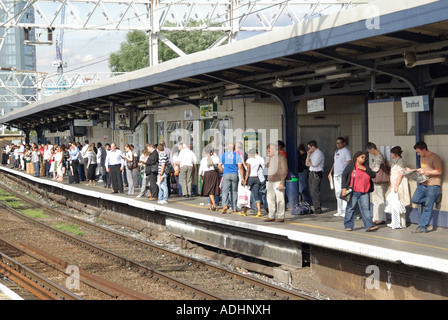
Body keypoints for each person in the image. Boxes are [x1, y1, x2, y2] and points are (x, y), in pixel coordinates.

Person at [405, 141, 443, 233]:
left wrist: (426, 172)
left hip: (433, 185)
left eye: (418, 152)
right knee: (415, 199)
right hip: (423, 184)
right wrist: (411, 170)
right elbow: (422, 170)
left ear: (424, 149)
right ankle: (436, 198)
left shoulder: (435, 157)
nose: (418, 154)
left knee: (428, 206)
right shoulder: (422, 157)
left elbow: (439, 172)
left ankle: (422, 227)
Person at [341, 151, 378, 232]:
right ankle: (348, 225)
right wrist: (343, 188)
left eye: (365, 158)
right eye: (362, 157)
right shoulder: (351, 165)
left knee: (365, 209)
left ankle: (369, 226)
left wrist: (364, 169)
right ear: (357, 157)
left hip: (365, 191)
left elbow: (373, 175)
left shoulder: (365, 166)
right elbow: (344, 175)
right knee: (351, 208)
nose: (363, 159)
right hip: (354, 191)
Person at [385, 146, 410, 229]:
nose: (391, 155)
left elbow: (400, 175)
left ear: (395, 154)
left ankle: (399, 222)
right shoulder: (395, 162)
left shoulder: (400, 162)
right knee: (396, 204)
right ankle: (398, 222)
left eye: (392, 153)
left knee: (398, 204)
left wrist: (396, 186)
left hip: (398, 186)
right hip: (394, 185)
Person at [264, 142, 288, 222]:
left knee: (280, 199)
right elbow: (266, 166)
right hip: (270, 180)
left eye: (269, 151)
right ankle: (271, 215)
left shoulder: (281, 157)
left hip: (278, 181)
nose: (269, 153)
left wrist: (282, 182)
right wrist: (267, 158)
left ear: (274, 149)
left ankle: (280, 216)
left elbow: (285, 170)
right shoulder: (271, 157)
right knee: (270, 199)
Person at [366, 142, 389, 225]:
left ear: (372, 148)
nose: (370, 153)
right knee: (377, 200)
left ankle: (380, 218)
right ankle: (377, 217)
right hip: (378, 182)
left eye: (369, 151)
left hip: (379, 182)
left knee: (378, 200)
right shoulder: (379, 156)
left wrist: (369, 169)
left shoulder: (378, 157)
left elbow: (376, 169)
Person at [328, 137, 352, 217]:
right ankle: (340, 210)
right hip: (336, 174)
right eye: (337, 143)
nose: (338, 145)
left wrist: (346, 173)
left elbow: (349, 162)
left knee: (344, 192)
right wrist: (331, 172)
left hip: (343, 174)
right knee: (337, 193)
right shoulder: (336, 151)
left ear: (344, 143)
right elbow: (335, 162)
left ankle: (345, 210)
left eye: (340, 143)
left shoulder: (346, 151)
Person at [218, 143, 244, 214]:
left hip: (226, 174)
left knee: (225, 191)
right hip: (234, 174)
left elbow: (219, 166)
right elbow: (240, 167)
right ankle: (234, 208)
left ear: (227, 148)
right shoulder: (237, 156)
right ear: (234, 148)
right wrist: (242, 178)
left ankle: (225, 205)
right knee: (234, 191)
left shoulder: (223, 156)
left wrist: (223, 171)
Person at [305, 140, 325, 214]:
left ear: (313, 147)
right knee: (312, 191)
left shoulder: (319, 153)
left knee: (315, 191)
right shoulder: (312, 154)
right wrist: (308, 155)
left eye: (309, 148)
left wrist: (310, 162)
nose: (309, 149)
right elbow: (307, 164)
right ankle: (315, 206)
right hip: (311, 172)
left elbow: (314, 164)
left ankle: (318, 208)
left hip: (316, 173)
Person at [199, 147, 220, 211]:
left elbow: (201, 169)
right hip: (214, 174)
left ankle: (213, 204)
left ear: (205, 153)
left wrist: (201, 175)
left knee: (210, 190)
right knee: (212, 189)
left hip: (207, 174)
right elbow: (219, 163)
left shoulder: (203, 159)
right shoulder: (215, 158)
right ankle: (210, 204)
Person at [243, 149, 263, 217]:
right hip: (257, 178)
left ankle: (245, 212)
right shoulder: (258, 160)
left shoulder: (249, 160)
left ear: (250, 154)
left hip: (250, 178)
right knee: (256, 195)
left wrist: (245, 181)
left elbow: (248, 171)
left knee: (247, 195)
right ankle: (259, 211)